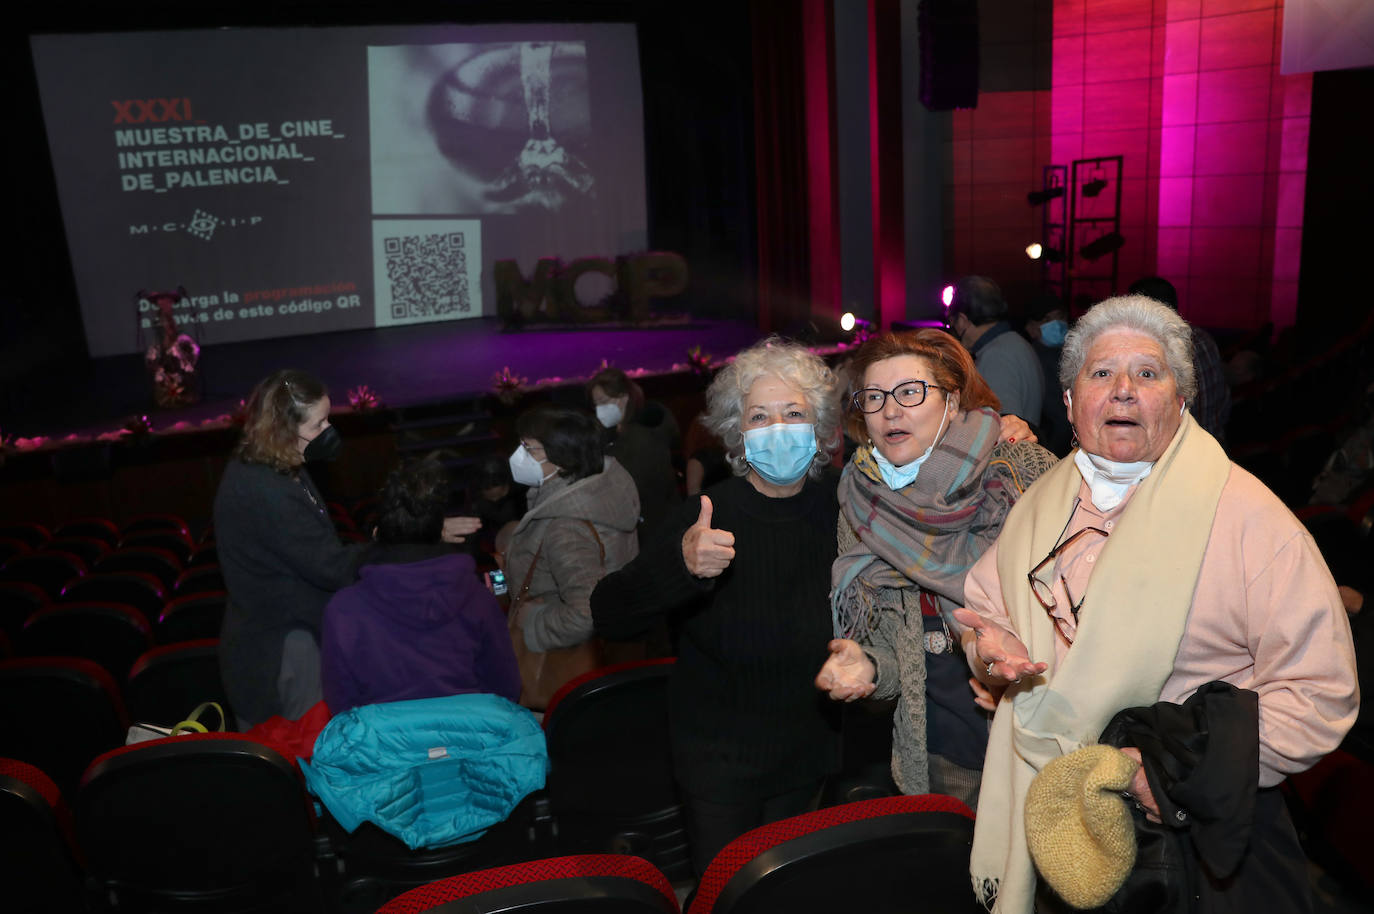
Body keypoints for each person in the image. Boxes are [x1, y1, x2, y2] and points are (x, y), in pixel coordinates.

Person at [952, 295, 1358, 913]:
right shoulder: (1039, 505)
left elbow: (1321, 691)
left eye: (1147, 373)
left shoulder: (1249, 519)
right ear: (1069, 402)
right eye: (1101, 373)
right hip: (1057, 819)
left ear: (1180, 400)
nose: (1122, 391)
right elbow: (989, 610)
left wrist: (1171, 777)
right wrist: (991, 650)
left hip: (1189, 844)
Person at [590, 337, 845, 877]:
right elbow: (609, 613)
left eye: (794, 412)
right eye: (760, 416)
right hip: (719, 768)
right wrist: (679, 568)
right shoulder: (704, 515)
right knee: (726, 894)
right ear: (738, 432)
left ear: (819, 427)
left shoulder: (844, 509)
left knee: (794, 894)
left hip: (810, 754)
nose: (778, 428)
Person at [814, 330, 1057, 807]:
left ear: (952, 400)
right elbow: (888, 654)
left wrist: (1018, 679)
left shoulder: (1022, 468)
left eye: (910, 392)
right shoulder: (861, 501)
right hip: (941, 753)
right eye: (874, 397)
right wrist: (867, 667)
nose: (890, 411)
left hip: (1038, 737)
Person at [214, 369, 368, 728]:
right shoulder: (267, 490)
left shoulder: (278, 464)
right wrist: (395, 544)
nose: (328, 432)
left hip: (291, 635)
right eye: (318, 424)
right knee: (307, 760)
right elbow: (330, 566)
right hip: (286, 651)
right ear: (283, 430)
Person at [319, 457, 520, 714]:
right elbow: (507, 688)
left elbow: (341, 702)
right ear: (440, 530)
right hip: (472, 739)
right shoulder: (478, 598)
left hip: (384, 747)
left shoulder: (343, 609)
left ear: (378, 532)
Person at [504, 406, 639, 672]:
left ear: (562, 460)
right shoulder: (595, 492)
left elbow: (585, 615)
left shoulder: (565, 525)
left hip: (561, 662)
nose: (519, 456)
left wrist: (533, 621)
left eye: (529, 449)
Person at [1128, 275, 1231, 446]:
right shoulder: (1204, 338)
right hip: (1216, 445)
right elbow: (1225, 401)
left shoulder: (1156, 351)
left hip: (1184, 453)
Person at [587, 367, 681, 540]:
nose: (599, 410)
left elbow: (633, 488)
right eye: (596, 404)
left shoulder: (643, 437)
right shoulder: (613, 435)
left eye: (603, 401)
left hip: (653, 530)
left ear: (623, 398)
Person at [948, 275, 1045, 426]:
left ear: (962, 320)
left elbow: (1001, 425)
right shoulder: (1015, 342)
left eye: (951, 323)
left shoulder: (996, 356)